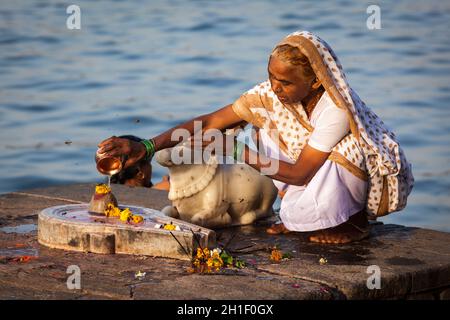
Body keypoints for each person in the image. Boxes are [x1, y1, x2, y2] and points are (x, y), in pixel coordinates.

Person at [98, 31, 413, 244]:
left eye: (285, 82)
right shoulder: (270, 95)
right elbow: (211, 120)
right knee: (261, 120)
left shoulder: (335, 109)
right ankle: (297, 217)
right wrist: (147, 146)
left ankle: (353, 223)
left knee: (344, 149)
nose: (275, 87)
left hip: (338, 171)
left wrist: (235, 149)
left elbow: (301, 173)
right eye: (271, 76)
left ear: (316, 81)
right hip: (302, 170)